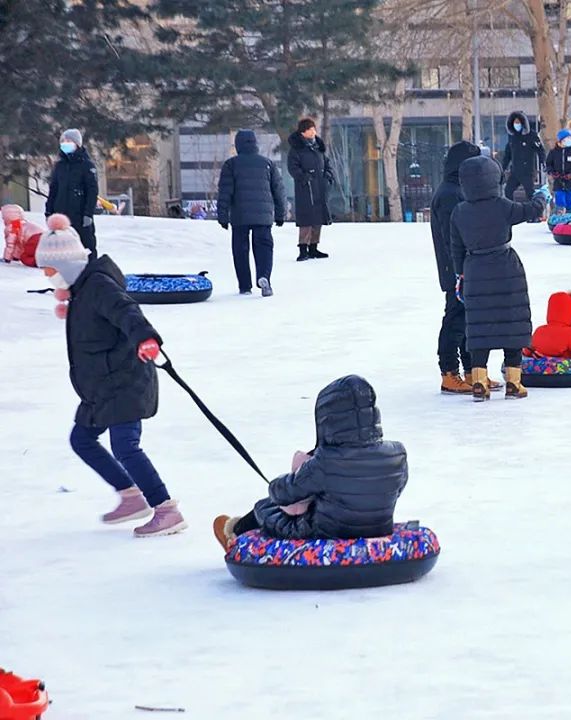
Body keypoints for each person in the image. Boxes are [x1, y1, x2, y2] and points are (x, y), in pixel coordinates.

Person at [36, 214, 185, 538]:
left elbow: (127, 311)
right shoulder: (82, 289)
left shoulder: (99, 285)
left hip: (124, 380)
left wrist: (146, 338)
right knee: (82, 439)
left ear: (67, 265)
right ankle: (131, 496)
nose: (46, 276)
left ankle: (166, 510)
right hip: (103, 385)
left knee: (126, 446)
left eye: (49, 269)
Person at [212, 375, 407, 549]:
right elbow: (396, 488)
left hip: (324, 532)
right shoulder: (397, 453)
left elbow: (284, 494)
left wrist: (282, 481)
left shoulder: (325, 460)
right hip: (378, 527)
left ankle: (234, 533)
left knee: (265, 507)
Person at [450, 155, 547, 401]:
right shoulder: (503, 206)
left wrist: (461, 273)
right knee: (512, 324)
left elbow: (455, 248)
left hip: (475, 270)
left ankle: (479, 381)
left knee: (479, 329)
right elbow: (531, 211)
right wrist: (540, 196)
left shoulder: (459, 212)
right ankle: (514, 382)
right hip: (506, 269)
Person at [431, 140, 489, 395]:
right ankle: (448, 372)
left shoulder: (457, 189)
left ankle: (470, 371)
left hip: (465, 265)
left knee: (468, 319)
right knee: (455, 319)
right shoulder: (449, 194)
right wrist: (460, 269)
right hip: (455, 268)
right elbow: (452, 236)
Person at [217, 129, 287, 297]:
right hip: (263, 215)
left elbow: (225, 192)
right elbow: (278, 190)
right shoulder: (267, 163)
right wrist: (280, 213)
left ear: (238, 145)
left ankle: (244, 285)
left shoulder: (231, 164)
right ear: (255, 144)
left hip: (240, 215)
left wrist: (223, 215)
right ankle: (264, 277)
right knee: (264, 246)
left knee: (240, 249)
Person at [45, 129, 99, 260]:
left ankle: (90, 272)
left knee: (85, 246)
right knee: (63, 248)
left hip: (79, 214)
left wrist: (88, 214)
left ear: (77, 144)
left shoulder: (86, 165)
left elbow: (92, 191)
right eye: (63, 141)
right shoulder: (60, 166)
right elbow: (54, 190)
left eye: (68, 141)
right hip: (61, 214)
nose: (65, 143)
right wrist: (49, 211)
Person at [286, 118, 334, 262]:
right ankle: (303, 249)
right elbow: (293, 167)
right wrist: (304, 177)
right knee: (306, 219)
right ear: (303, 131)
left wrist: (328, 177)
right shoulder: (296, 149)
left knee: (318, 218)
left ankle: (314, 247)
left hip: (320, 187)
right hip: (305, 189)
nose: (314, 131)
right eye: (310, 129)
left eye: (314, 129)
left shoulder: (319, 148)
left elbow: (327, 164)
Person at [501, 111, 545, 200]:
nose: (516, 124)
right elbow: (507, 155)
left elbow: (540, 150)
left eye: (518, 122)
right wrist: (502, 167)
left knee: (530, 193)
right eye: (515, 123)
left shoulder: (531, 135)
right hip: (515, 171)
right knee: (508, 191)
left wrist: (542, 162)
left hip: (527, 172)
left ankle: (533, 211)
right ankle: (511, 210)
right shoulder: (512, 137)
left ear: (523, 123)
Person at [546, 130, 571, 214]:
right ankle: (559, 220)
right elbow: (548, 165)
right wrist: (552, 172)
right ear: (560, 140)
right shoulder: (553, 152)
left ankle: (570, 221)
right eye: (567, 138)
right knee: (560, 202)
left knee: (570, 203)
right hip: (558, 182)